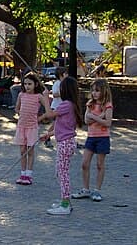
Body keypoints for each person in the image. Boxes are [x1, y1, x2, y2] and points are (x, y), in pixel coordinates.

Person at [39, 76, 84, 215]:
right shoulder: (71, 105)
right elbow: (63, 126)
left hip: (65, 144)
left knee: (62, 174)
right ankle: (66, 202)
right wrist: (49, 134)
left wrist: (46, 98)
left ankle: (65, 204)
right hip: (66, 142)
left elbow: (49, 115)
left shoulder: (66, 105)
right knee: (61, 173)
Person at [71, 79, 113, 202]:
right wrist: (99, 117)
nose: (94, 93)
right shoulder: (90, 104)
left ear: (103, 91)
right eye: (93, 91)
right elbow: (86, 120)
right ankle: (85, 188)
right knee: (84, 163)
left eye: (97, 91)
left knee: (100, 164)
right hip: (91, 137)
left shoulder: (107, 105)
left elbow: (108, 122)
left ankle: (97, 190)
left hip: (103, 137)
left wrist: (94, 117)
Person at [14, 72, 52, 185]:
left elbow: (47, 109)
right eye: (25, 84)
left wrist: (39, 118)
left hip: (32, 127)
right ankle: (22, 173)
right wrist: (20, 113)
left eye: (29, 84)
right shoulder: (21, 95)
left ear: (35, 84)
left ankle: (29, 175)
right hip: (21, 126)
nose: (27, 86)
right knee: (22, 151)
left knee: (30, 151)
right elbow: (17, 108)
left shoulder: (38, 96)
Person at [44, 66, 68, 148]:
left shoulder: (64, 83)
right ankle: (47, 137)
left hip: (63, 107)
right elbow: (54, 94)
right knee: (55, 124)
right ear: (61, 74)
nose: (67, 75)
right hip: (57, 107)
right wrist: (64, 93)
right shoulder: (57, 83)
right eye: (65, 73)